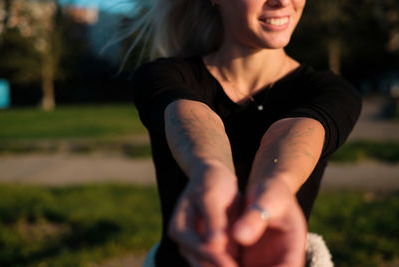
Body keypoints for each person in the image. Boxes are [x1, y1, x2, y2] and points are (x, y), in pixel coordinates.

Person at [130, 0, 362, 266]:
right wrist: (211, 170)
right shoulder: (164, 75)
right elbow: (193, 118)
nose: (283, 2)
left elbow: (294, 131)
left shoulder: (332, 90)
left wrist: (277, 184)